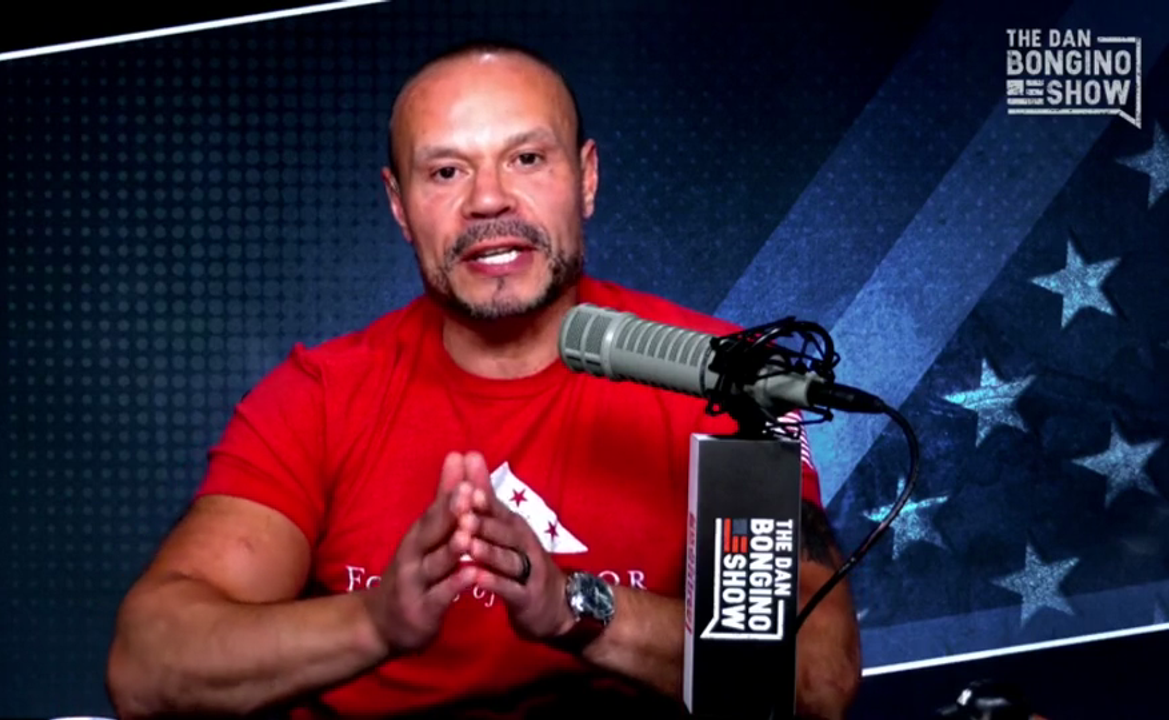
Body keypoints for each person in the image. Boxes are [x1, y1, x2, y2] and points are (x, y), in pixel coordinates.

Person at [106, 40, 861, 719]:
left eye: (526, 159)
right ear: (400, 207)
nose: (489, 199)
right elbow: (146, 670)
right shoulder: (320, 397)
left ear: (587, 178)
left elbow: (816, 680)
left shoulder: (719, 377)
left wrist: (575, 607)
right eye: (446, 172)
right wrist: (375, 622)